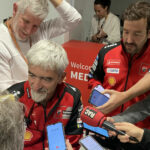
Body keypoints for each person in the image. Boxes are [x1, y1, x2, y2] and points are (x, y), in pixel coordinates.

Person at [7, 39, 83, 150]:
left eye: (46, 79)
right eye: (32, 75)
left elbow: (73, 141)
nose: (36, 86)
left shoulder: (72, 97)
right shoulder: (12, 97)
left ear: (61, 77)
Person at [88, 0, 150, 129]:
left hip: (138, 133)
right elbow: (93, 78)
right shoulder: (107, 51)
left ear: (149, 33)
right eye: (126, 31)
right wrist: (99, 92)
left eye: (137, 34)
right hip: (106, 126)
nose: (129, 40)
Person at [0, 0, 82, 92]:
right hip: (22, 102)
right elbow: (6, 92)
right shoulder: (2, 40)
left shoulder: (42, 30)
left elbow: (74, 19)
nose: (28, 31)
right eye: (26, 21)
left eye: (35, 26)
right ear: (15, 9)